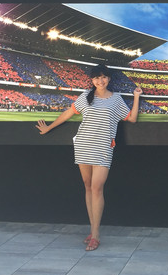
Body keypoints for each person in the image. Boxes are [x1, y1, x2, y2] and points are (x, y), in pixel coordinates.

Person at [36, 64, 142, 251]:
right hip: (84, 145)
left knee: (97, 188)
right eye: (97, 78)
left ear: (109, 79)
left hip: (103, 148)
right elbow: (69, 113)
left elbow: (132, 118)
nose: (100, 81)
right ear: (92, 80)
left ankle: (96, 235)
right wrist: (49, 128)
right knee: (87, 186)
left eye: (104, 77)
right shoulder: (86, 96)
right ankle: (92, 231)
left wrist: (136, 96)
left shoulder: (116, 99)